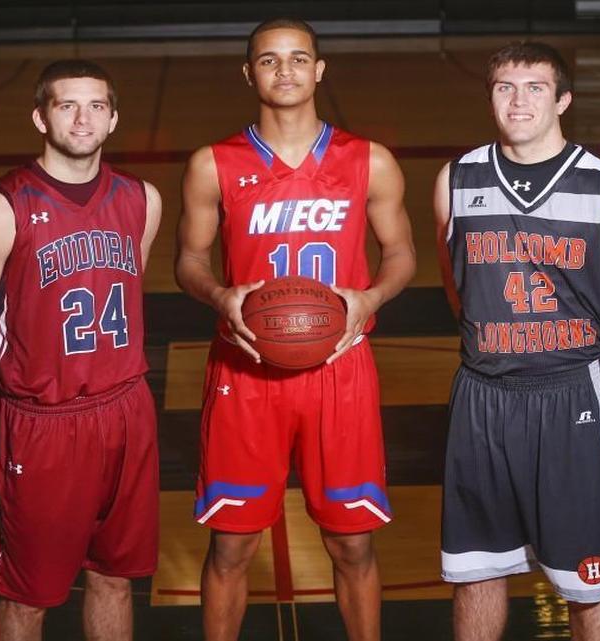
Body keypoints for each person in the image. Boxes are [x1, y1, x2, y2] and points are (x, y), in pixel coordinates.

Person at [175, 17, 415, 641]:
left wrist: (370, 297)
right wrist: (219, 294)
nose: (285, 71)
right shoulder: (212, 164)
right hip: (246, 372)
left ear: (319, 69)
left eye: (298, 58)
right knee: (231, 548)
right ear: (248, 72)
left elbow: (401, 254)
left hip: (341, 369)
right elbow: (189, 261)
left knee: (353, 545)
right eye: (269, 60)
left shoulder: (369, 160)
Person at [433, 41, 600, 640]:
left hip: (571, 398)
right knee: (475, 573)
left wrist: (591, 375)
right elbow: (457, 285)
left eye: (535, 88)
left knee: (587, 582)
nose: (519, 101)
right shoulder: (456, 180)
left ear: (563, 100)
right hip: (481, 399)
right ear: (490, 98)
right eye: (505, 87)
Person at [0, 59, 162, 641]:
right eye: (67, 105)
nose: (83, 118)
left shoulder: (142, 199)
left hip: (126, 411)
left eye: (96, 106)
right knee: (28, 597)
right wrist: (5, 401)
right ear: (40, 118)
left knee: (115, 579)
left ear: (113, 119)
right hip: (41, 423)